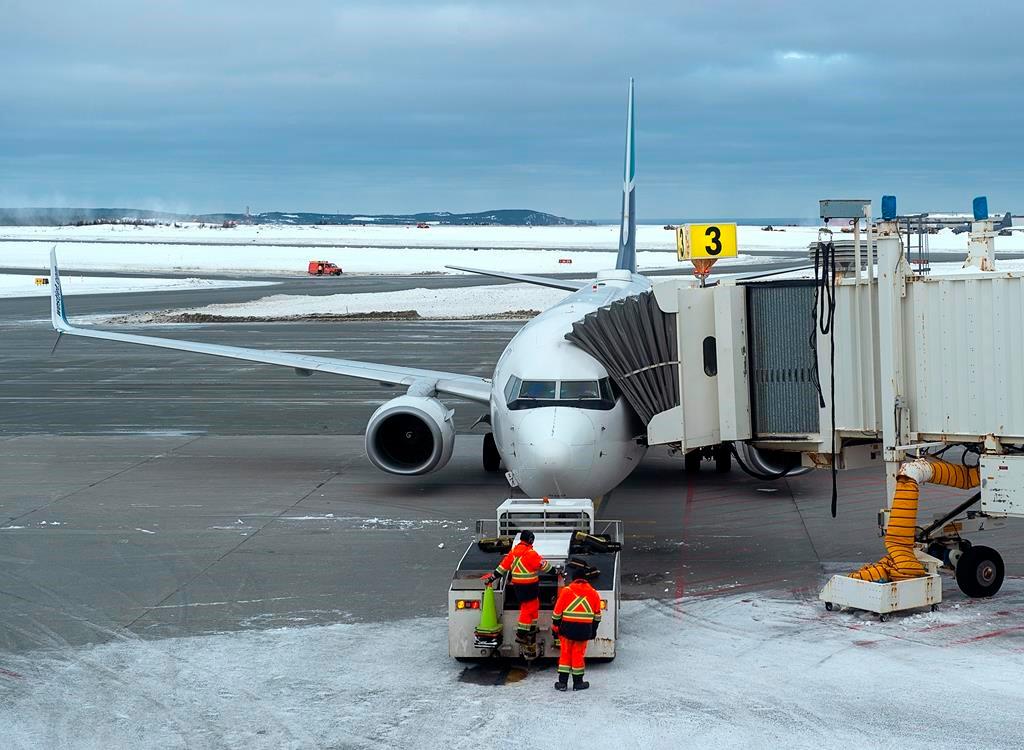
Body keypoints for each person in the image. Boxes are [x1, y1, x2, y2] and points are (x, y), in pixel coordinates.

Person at [482, 529, 551, 643]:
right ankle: (521, 634)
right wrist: (555, 571)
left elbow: (502, 568)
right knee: (527, 608)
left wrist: (493, 577)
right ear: (530, 540)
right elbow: (544, 566)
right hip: (529, 587)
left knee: (534, 605)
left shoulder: (513, 553)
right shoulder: (530, 553)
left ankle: (531, 629)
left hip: (519, 587)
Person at [551, 565, 602, 691]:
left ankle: (562, 683)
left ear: (574, 579)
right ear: (586, 579)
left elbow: (557, 613)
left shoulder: (567, 591)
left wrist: (556, 626)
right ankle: (578, 683)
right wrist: (593, 631)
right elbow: (597, 616)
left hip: (567, 629)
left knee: (565, 654)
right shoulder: (594, 593)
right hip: (584, 630)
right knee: (578, 655)